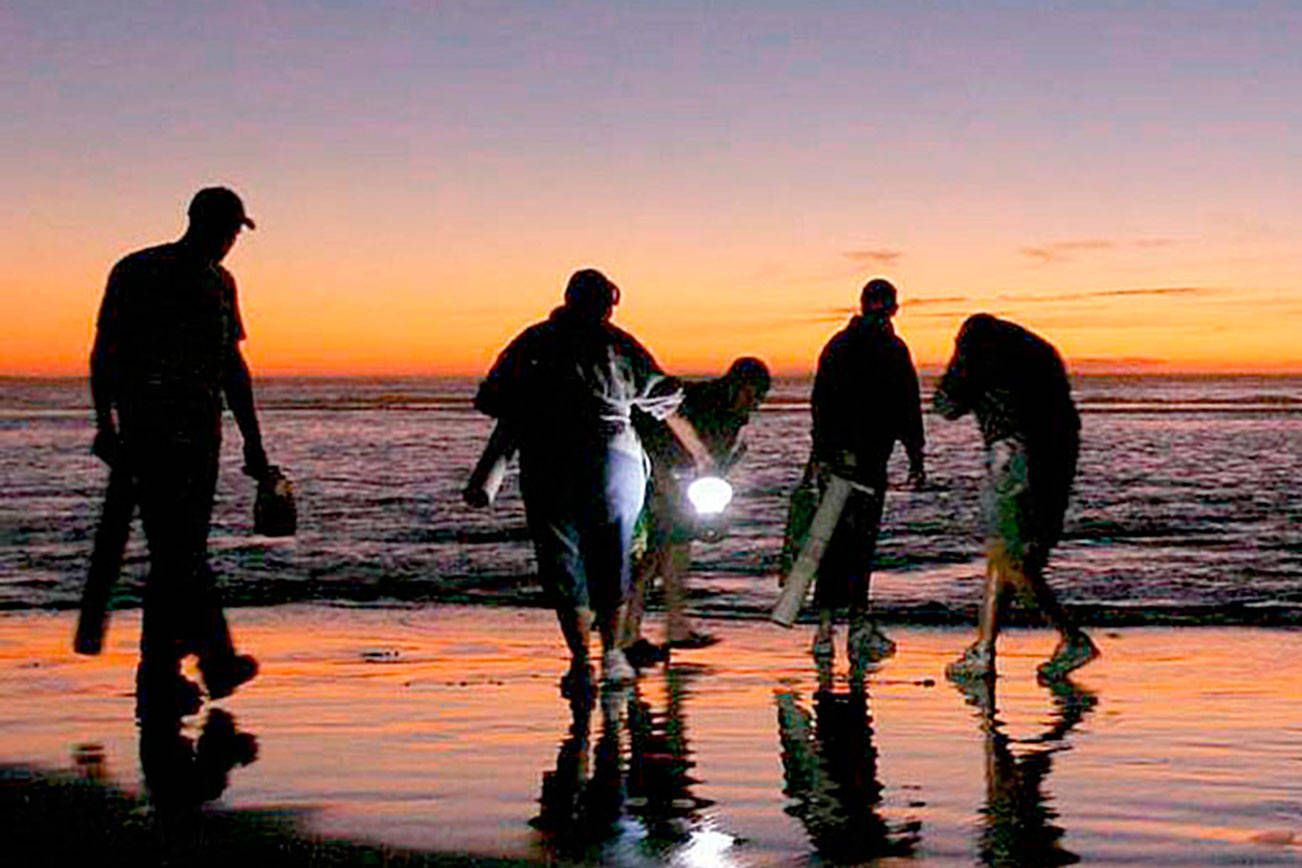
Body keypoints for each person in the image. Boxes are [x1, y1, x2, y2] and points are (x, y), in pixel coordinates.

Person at [473, 269, 709, 689]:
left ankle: (581, 661)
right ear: (607, 305)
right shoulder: (618, 344)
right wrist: (700, 454)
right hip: (611, 460)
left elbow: (491, 397)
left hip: (547, 461)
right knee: (613, 556)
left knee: (563, 563)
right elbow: (665, 401)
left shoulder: (533, 341)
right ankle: (613, 654)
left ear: (567, 299)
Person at [90, 186, 271, 716]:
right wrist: (107, 424)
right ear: (205, 223)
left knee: (179, 550)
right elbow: (107, 352)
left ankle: (180, 668)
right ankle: (196, 663)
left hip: (201, 434)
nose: (232, 240)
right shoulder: (139, 271)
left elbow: (232, 369)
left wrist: (253, 443)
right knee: (179, 551)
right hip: (153, 432)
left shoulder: (220, 282)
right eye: (231, 229)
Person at [933, 314, 1099, 681]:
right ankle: (984, 650)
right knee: (1011, 554)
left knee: (1009, 559)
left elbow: (946, 405)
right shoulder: (1040, 351)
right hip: (1057, 457)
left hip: (1012, 454)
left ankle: (1072, 638)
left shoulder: (977, 345)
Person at [791, 278, 925, 671]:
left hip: (834, 460)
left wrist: (816, 457)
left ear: (863, 304)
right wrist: (916, 456)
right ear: (894, 309)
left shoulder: (836, 345)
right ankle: (858, 626)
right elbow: (907, 406)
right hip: (869, 461)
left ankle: (824, 631)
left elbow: (820, 407)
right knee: (861, 546)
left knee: (829, 543)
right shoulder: (893, 348)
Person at [621, 357, 771, 663]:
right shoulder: (698, 403)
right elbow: (653, 440)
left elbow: (714, 466)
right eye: (751, 394)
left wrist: (712, 510)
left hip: (677, 481)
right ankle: (627, 637)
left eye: (759, 398)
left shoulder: (732, 416)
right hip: (645, 472)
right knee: (650, 557)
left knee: (675, 550)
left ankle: (674, 627)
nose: (753, 404)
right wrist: (665, 489)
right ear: (736, 386)